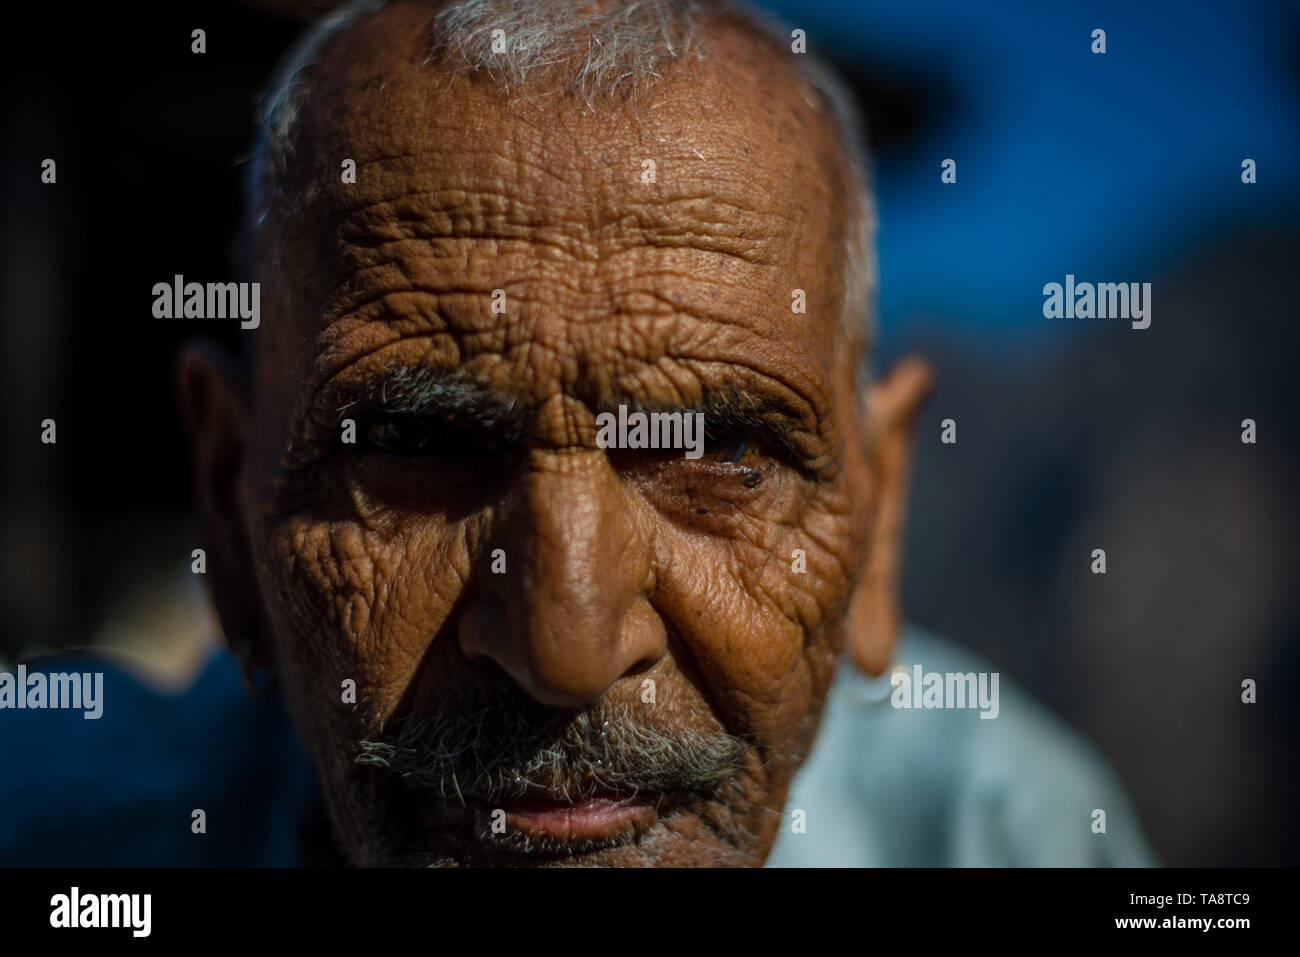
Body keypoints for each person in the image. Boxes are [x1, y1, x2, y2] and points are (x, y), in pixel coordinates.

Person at [1, 0, 1154, 867]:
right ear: (227, 499)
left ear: (880, 511)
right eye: (413, 440)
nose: (564, 647)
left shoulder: (1006, 834)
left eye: (718, 450)